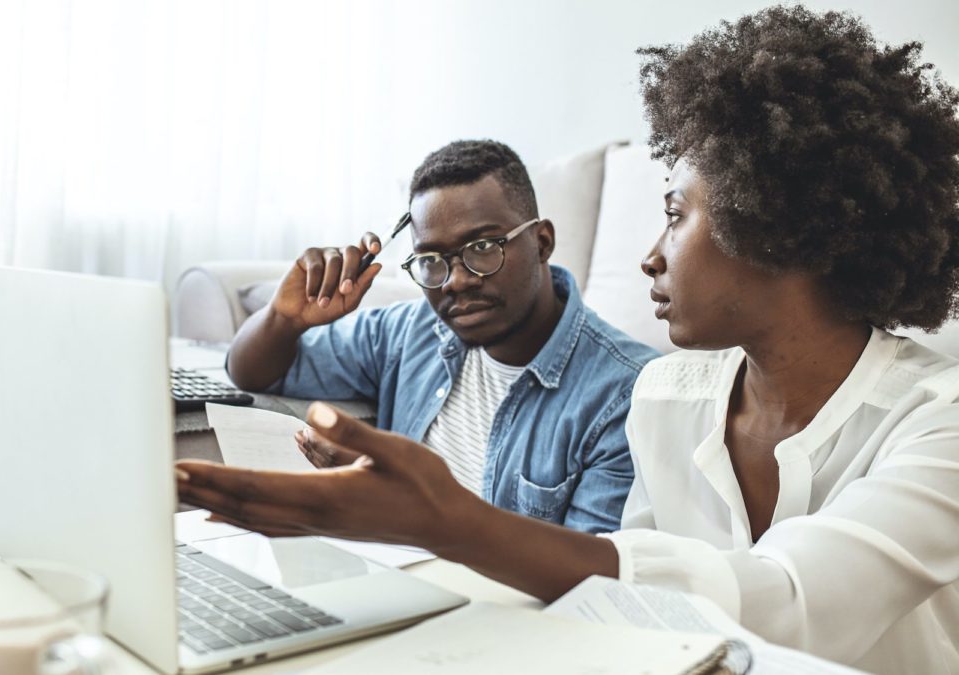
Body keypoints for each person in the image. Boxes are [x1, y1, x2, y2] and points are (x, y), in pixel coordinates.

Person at [178, 6, 959, 672]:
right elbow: (628, 612)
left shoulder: (938, 421)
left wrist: (441, 517)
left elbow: (790, 603)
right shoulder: (670, 398)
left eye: (676, 214)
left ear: (781, 227)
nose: (650, 253)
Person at [226, 139, 657, 532]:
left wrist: (395, 499)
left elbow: (592, 575)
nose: (454, 281)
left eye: (483, 248)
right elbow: (251, 372)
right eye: (431, 259)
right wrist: (285, 319)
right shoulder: (408, 334)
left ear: (542, 242)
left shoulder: (624, 394)